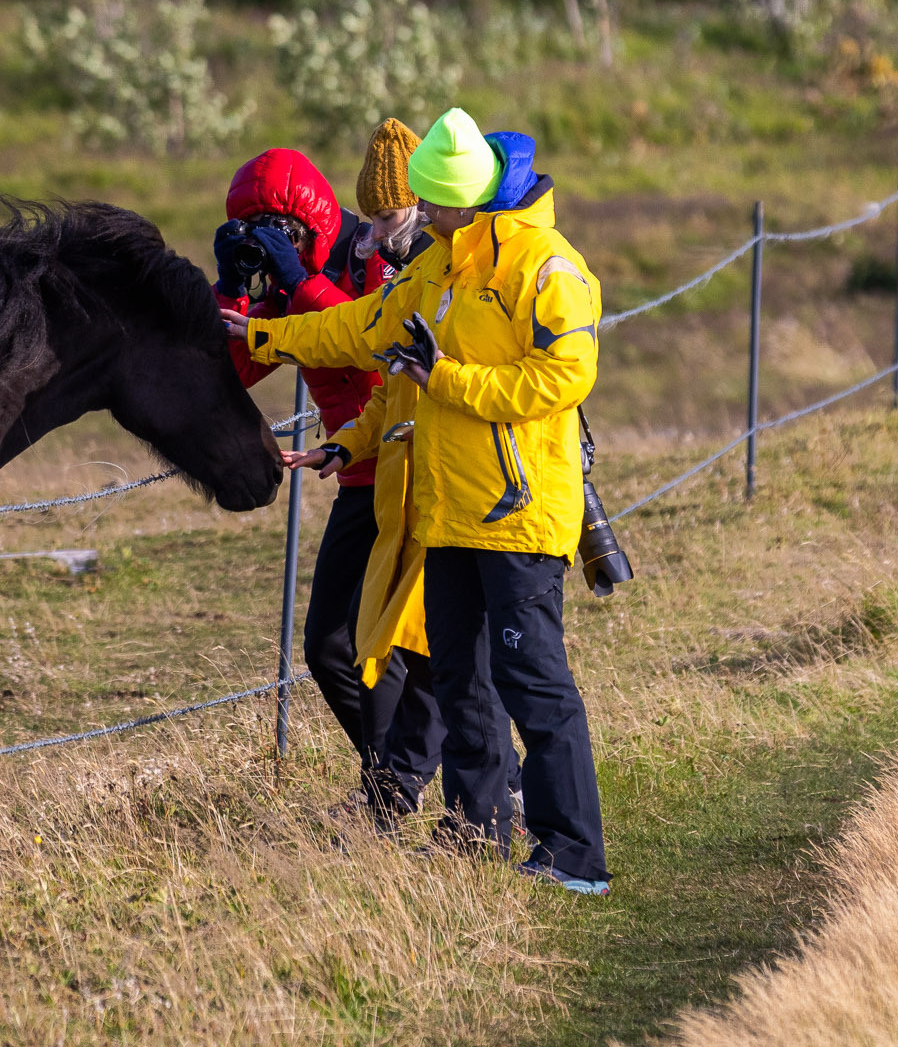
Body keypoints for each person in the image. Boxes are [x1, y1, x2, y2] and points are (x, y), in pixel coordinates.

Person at [224, 108, 609, 895]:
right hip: (446, 509)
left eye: (430, 204)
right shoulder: (436, 267)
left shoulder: (548, 267)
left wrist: (450, 382)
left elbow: (564, 380)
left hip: (520, 512)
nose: (418, 216)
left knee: (533, 683)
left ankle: (574, 856)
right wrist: (260, 336)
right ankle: (477, 830)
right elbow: (361, 331)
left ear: (468, 201)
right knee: (462, 680)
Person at [211, 144, 393, 788]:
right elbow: (229, 373)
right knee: (331, 648)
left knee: (405, 647)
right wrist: (230, 289)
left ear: (312, 222)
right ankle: (394, 780)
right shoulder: (290, 287)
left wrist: (302, 283)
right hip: (356, 475)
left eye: (281, 231)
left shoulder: (372, 255)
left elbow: (374, 351)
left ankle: (400, 788)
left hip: (410, 466)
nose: (277, 245)